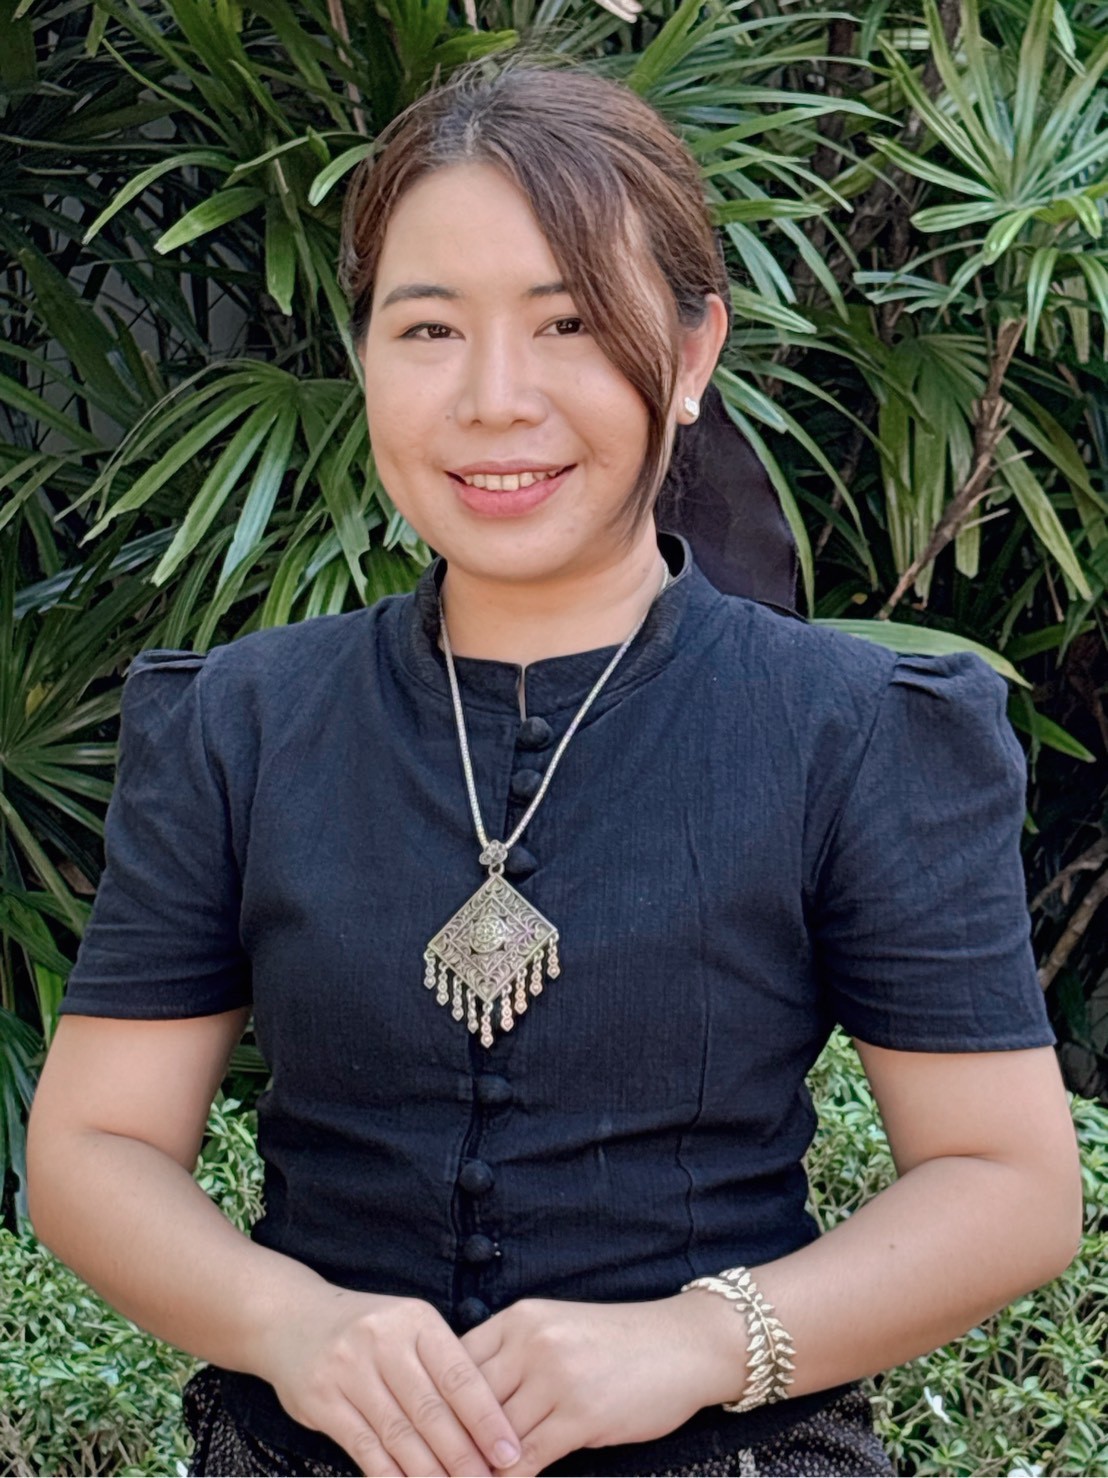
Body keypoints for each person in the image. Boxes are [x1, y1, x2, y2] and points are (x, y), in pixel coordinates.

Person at [27, 60, 1082, 1478]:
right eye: (429, 328)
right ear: (365, 356)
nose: (495, 399)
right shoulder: (243, 723)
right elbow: (91, 1146)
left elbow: (1008, 1183)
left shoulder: (856, 729)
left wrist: (697, 1341)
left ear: (693, 352)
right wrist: (294, 1325)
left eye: (570, 322)